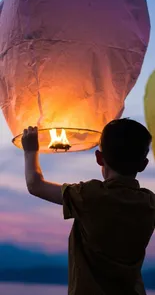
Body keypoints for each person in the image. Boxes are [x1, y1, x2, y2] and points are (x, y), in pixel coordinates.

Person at [22, 118, 155, 295]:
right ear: (144, 164)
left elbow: (35, 185)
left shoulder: (89, 195)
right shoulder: (150, 203)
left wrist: (30, 150)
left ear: (99, 158)